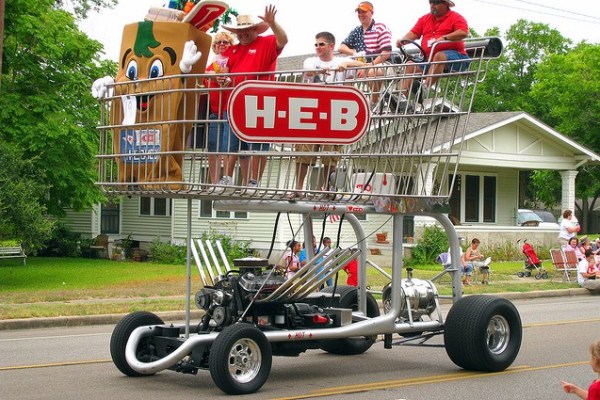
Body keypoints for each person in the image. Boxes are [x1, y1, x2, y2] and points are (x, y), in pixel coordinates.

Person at [216, 5, 288, 193]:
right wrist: (222, 77)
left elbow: (283, 40)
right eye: (240, 31)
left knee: (257, 144)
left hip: (260, 103)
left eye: (247, 29)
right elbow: (225, 72)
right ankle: (226, 179)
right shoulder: (232, 50)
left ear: (256, 29)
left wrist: (273, 23)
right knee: (230, 144)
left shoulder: (267, 42)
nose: (243, 34)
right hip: (235, 103)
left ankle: (254, 182)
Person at [288, 32, 365, 200]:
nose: (318, 47)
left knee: (330, 152)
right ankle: (299, 188)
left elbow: (362, 64)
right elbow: (308, 71)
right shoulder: (311, 61)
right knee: (303, 149)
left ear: (331, 46)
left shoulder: (339, 61)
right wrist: (317, 71)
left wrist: (346, 63)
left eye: (321, 44)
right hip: (311, 112)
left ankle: (328, 189)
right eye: (316, 44)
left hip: (333, 113)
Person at [395, 0, 469, 103]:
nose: (432, 5)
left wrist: (444, 38)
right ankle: (401, 98)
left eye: (436, 2)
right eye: (431, 2)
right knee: (410, 64)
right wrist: (403, 40)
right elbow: (414, 33)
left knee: (439, 56)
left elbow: (463, 32)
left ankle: (424, 89)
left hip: (457, 58)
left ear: (445, 4)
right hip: (429, 59)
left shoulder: (456, 17)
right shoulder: (425, 19)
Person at [338, 1, 392, 106]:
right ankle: (346, 104)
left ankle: (375, 103)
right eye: (359, 12)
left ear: (371, 13)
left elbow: (386, 53)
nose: (361, 14)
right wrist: (355, 53)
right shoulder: (357, 31)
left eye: (364, 12)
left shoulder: (380, 28)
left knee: (372, 72)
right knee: (345, 73)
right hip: (362, 65)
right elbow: (341, 47)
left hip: (382, 64)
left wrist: (368, 66)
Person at [203, 32, 236, 184]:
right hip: (215, 112)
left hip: (230, 112)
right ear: (214, 46)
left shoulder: (234, 62)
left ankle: (227, 180)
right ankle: (215, 182)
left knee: (229, 147)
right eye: (218, 42)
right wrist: (210, 75)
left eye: (225, 42)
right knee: (213, 148)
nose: (221, 44)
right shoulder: (210, 67)